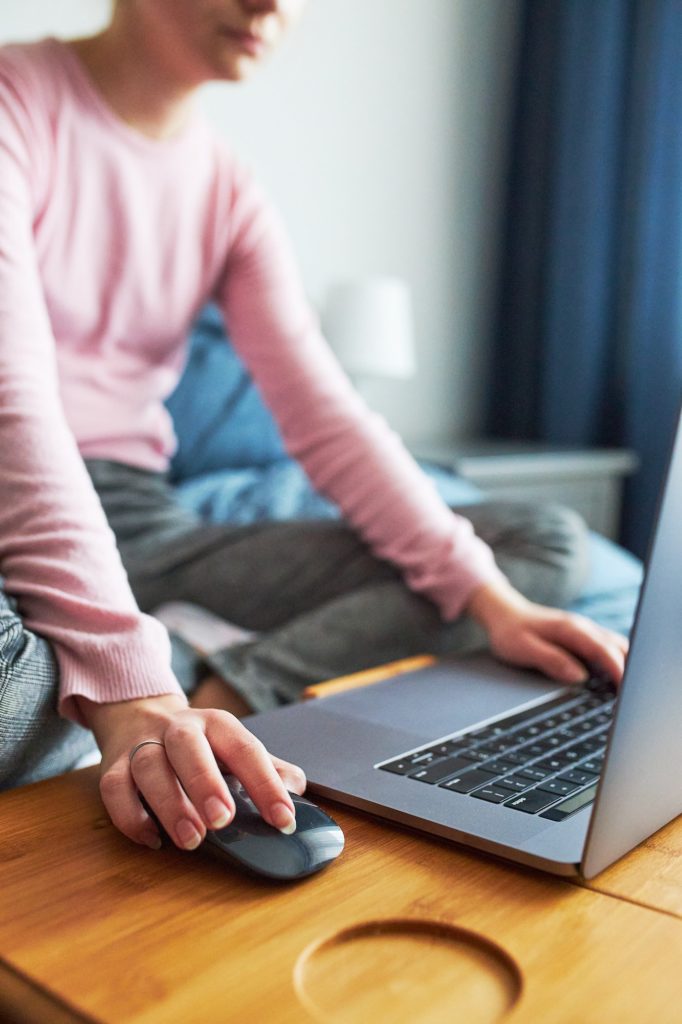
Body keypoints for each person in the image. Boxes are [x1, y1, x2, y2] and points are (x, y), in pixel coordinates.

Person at [0, 0, 627, 855]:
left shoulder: (226, 190)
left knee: (540, 552)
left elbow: (329, 417)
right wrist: (130, 686)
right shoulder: (16, 101)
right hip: (17, 510)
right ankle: (151, 690)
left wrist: (492, 603)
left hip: (145, 523)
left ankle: (211, 693)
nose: (275, 7)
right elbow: (15, 397)